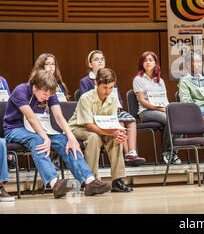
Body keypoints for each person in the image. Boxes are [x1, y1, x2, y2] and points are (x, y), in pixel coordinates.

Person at [3, 70, 111, 198]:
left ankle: (89, 181)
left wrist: (71, 137)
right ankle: (55, 183)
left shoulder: (49, 91)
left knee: (66, 141)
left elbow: (59, 117)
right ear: (35, 87)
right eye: (44, 94)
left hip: (41, 127)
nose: (46, 98)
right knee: (38, 140)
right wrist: (45, 138)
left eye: (49, 96)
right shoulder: (20, 91)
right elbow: (31, 118)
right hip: (16, 128)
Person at [69, 68, 133, 192]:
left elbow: (112, 123)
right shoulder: (85, 98)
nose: (108, 91)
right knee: (93, 137)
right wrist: (111, 133)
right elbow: (89, 126)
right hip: (78, 128)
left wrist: (120, 133)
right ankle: (91, 180)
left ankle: (117, 180)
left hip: (101, 128)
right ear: (96, 84)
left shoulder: (113, 98)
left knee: (116, 139)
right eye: (105, 87)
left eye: (111, 87)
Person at [80, 50, 145, 166]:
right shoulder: (85, 81)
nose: (100, 61)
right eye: (96, 59)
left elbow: (118, 98)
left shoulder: (109, 77)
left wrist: (117, 106)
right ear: (90, 64)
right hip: (98, 114)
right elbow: (85, 99)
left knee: (131, 120)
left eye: (102, 59)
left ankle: (132, 152)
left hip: (114, 110)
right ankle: (126, 155)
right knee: (119, 122)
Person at [133, 51, 181, 165]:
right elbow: (142, 101)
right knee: (170, 120)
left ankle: (171, 153)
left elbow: (165, 100)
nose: (148, 62)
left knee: (178, 120)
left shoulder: (160, 81)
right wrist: (159, 109)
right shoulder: (138, 79)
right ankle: (168, 152)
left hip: (162, 110)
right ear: (142, 64)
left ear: (156, 63)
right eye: (145, 60)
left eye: (150, 60)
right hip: (146, 112)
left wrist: (167, 108)